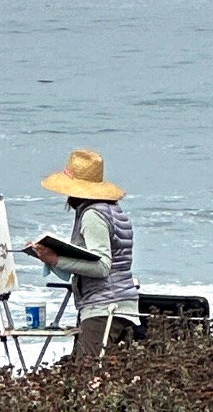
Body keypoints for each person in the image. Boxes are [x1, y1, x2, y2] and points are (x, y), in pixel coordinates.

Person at [27, 148, 140, 362]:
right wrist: (49, 257)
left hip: (104, 307)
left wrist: (56, 259)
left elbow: (102, 267)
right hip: (120, 304)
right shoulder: (111, 210)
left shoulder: (92, 215)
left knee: (86, 373)